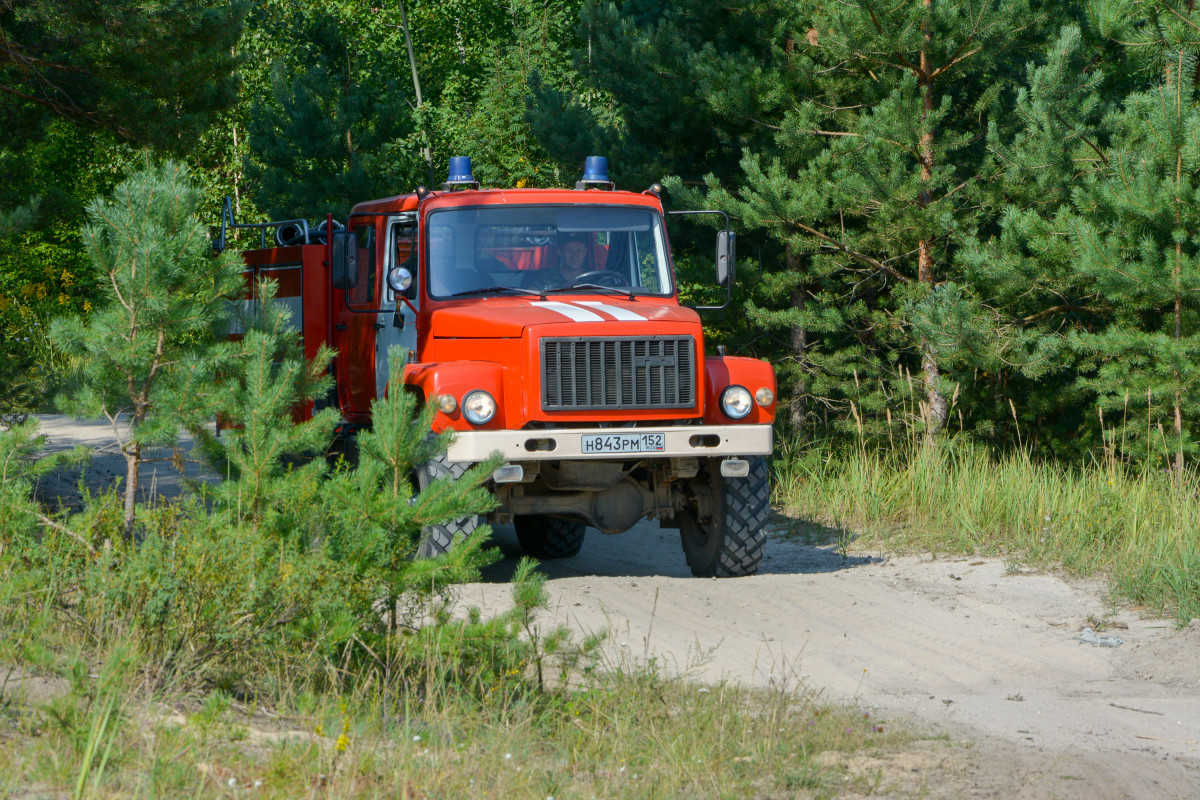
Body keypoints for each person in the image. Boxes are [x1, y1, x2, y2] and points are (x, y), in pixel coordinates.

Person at [524, 233, 591, 289]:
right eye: (569, 251)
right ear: (560, 253)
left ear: (585, 252)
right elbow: (531, 296)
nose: (574, 255)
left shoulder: (594, 279)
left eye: (578, 251)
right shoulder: (545, 279)